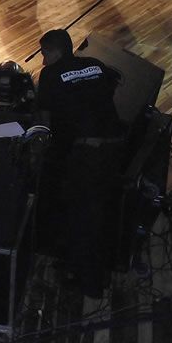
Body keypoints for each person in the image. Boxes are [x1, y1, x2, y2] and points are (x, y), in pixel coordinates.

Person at [35, 29, 122, 298]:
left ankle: (89, 284)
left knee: (82, 216)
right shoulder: (95, 64)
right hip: (114, 148)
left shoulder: (50, 75)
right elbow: (112, 85)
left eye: (44, 54)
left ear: (56, 51)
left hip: (87, 153)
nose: (43, 60)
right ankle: (84, 266)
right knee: (101, 213)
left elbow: (44, 122)